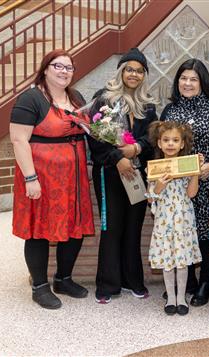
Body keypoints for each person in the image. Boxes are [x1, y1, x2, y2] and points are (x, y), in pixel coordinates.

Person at [10, 49, 95, 309]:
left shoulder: (76, 96)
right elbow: (18, 139)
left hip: (73, 176)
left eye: (68, 68)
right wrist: (30, 178)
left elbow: (87, 128)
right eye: (57, 66)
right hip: (42, 175)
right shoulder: (31, 99)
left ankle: (63, 279)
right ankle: (39, 286)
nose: (63, 71)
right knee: (39, 231)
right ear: (45, 69)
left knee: (74, 227)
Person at [161, 58, 209, 307]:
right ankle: (187, 281)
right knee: (181, 229)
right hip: (176, 188)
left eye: (193, 79)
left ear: (202, 82)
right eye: (183, 78)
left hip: (206, 181)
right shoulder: (169, 111)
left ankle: (205, 282)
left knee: (204, 232)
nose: (188, 83)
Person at [87, 48, 157, 304]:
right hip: (110, 174)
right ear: (121, 72)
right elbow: (94, 138)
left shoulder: (148, 106)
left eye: (139, 71)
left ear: (144, 76)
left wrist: (136, 149)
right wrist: (118, 159)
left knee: (133, 229)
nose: (134, 74)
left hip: (137, 175)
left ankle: (132, 281)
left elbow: (152, 140)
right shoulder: (103, 100)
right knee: (111, 228)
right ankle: (107, 285)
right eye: (129, 69)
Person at [146, 121, 203, 316]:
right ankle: (170, 297)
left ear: (181, 144)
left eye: (175, 140)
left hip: (183, 220)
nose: (170, 144)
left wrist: (195, 173)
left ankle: (181, 298)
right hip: (164, 221)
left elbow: (192, 194)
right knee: (168, 260)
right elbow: (150, 198)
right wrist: (159, 186)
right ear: (159, 143)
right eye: (166, 140)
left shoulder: (186, 165)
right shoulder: (154, 169)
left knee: (182, 260)